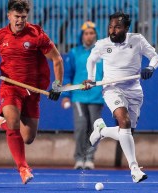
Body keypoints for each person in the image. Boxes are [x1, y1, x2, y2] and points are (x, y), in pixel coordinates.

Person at [0, 0, 63, 185]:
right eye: (17, 17)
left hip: (32, 91)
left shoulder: (37, 34)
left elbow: (57, 59)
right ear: (9, 16)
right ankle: (23, 168)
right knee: (13, 120)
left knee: (27, 138)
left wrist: (57, 85)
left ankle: (0, 122)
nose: (20, 21)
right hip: (10, 87)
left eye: (24, 17)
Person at [82, 11, 158, 183]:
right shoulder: (102, 44)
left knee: (127, 132)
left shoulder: (137, 40)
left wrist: (151, 68)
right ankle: (134, 168)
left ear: (126, 28)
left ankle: (101, 131)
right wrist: (92, 78)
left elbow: (154, 57)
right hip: (111, 88)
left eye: (117, 27)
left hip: (134, 90)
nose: (112, 30)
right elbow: (91, 60)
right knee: (123, 121)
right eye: (110, 27)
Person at [62, 21, 104, 170]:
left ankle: (90, 158)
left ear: (96, 35)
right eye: (86, 33)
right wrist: (65, 94)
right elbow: (67, 75)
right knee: (81, 128)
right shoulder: (74, 53)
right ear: (82, 36)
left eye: (92, 33)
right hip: (78, 97)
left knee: (96, 130)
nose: (89, 36)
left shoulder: (103, 53)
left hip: (97, 97)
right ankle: (79, 158)